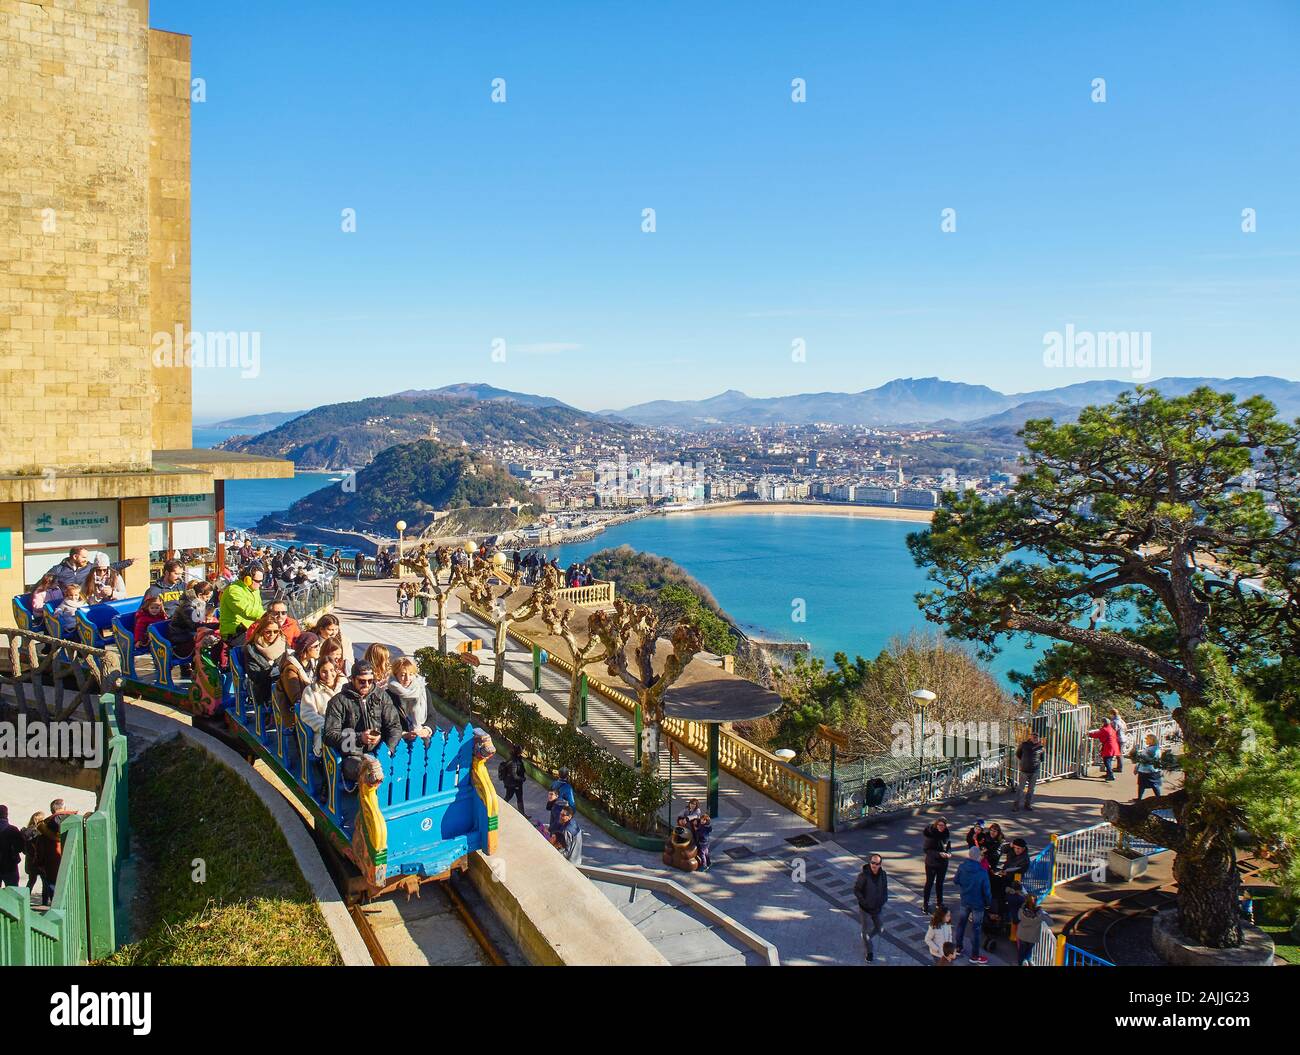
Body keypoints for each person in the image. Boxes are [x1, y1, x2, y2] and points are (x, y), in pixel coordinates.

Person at [322, 661, 404, 783]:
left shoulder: (382, 696)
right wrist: (359, 738)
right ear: (352, 679)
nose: (366, 685)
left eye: (370, 681)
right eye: (362, 681)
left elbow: (395, 726)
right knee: (370, 773)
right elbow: (329, 735)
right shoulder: (337, 702)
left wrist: (388, 749)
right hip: (351, 755)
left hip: (380, 750)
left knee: (404, 767)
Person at [299, 654, 343, 761]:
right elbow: (307, 714)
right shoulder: (311, 690)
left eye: (332, 670)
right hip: (324, 732)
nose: (328, 675)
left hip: (346, 729)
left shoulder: (344, 686)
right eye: (324, 671)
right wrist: (327, 727)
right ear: (318, 672)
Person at [242, 613, 287, 715]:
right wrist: (271, 671)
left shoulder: (284, 644)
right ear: (261, 631)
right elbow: (254, 676)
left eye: (276, 631)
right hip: (262, 686)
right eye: (268, 632)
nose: (272, 635)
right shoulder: (251, 649)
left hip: (282, 682)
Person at [954, 846, 992, 964]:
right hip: (978, 904)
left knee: (961, 924)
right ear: (978, 857)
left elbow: (956, 880)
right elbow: (986, 891)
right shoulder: (982, 872)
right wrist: (988, 903)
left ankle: (958, 947)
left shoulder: (962, 867)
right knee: (976, 929)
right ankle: (975, 956)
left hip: (965, 900)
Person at [853, 854, 888, 962]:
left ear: (880, 865)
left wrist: (884, 899)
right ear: (869, 862)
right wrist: (864, 902)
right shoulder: (863, 876)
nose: (874, 865)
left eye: (877, 864)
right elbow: (856, 890)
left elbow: (885, 888)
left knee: (880, 928)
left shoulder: (883, 875)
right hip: (866, 909)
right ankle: (869, 952)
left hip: (877, 908)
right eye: (872, 863)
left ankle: (866, 938)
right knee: (866, 932)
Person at [386, 656, 432, 740]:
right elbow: (385, 723)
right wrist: (404, 734)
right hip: (399, 742)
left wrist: (427, 730)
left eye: (411, 674)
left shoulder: (422, 690)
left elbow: (432, 716)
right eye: (403, 675)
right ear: (396, 675)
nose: (407, 679)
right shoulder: (388, 695)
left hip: (421, 737)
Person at [167, 580, 215, 660]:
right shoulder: (187, 606)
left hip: (190, 635)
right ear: (199, 595)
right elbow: (195, 625)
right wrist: (216, 626)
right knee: (208, 642)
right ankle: (203, 669)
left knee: (213, 640)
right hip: (180, 640)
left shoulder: (198, 602)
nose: (208, 600)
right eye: (207, 597)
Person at [220, 563, 266, 643]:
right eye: (258, 581)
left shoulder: (255, 590)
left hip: (251, 628)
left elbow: (259, 608)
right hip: (235, 633)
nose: (261, 584)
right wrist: (266, 615)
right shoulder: (233, 591)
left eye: (262, 581)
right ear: (247, 579)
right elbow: (246, 611)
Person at [921, 816, 952, 913]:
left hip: (943, 863)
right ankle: (925, 904)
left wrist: (948, 853)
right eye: (940, 825)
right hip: (932, 863)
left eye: (943, 826)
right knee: (929, 883)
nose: (941, 827)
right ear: (936, 824)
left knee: (940, 883)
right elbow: (926, 850)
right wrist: (938, 854)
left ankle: (939, 903)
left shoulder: (946, 833)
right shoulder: (931, 834)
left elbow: (948, 845)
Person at [1012, 728, 1044, 812]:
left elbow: (1042, 759)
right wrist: (1023, 762)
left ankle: (1028, 804)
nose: (1035, 739)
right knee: (1020, 789)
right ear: (1030, 738)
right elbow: (1018, 754)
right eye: (1033, 737)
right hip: (1024, 770)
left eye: (1036, 737)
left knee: (1031, 789)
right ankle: (1016, 805)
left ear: (1038, 739)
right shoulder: (1024, 745)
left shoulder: (1041, 747)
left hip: (1034, 771)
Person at [1017, 894, 1053, 965]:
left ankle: (1022, 963)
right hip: (1033, 937)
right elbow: (1051, 923)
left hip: (1022, 935)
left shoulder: (1021, 911)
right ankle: (1027, 960)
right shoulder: (1040, 913)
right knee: (1029, 950)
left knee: (1021, 952)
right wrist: (1044, 913)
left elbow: (1018, 918)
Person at [21, 811, 45, 902]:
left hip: (30, 860)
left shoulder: (26, 831)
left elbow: (24, 849)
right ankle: (45, 901)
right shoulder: (40, 832)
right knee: (45, 881)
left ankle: (25, 900)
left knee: (31, 881)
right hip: (40, 860)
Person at [497, 744, 527, 812]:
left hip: (515, 784)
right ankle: (500, 809)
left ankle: (522, 814)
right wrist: (522, 779)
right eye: (521, 751)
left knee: (519, 798)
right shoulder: (514, 762)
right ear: (518, 752)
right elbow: (514, 775)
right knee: (508, 797)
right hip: (513, 784)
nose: (522, 753)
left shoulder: (516, 759)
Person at [0, 806, 24, 888]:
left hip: (8, 864)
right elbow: (20, 848)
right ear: (6, 814)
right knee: (12, 890)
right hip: (10, 865)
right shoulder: (12, 829)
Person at [1135, 733, 1163, 799]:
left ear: (1151, 740)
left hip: (1146, 770)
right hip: (1153, 770)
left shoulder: (1150, 750)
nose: (1146, 741)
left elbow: (1142, 758)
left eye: (1147, 739)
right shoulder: (1156, 748)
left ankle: (1140, 798)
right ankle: (1158, 797)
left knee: (1143, 785)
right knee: (1153, 785)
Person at [1109, 709, 1131, 773]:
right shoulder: (1121, 720)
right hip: (1123, 738)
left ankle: (1119, 768)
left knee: (1119, 754)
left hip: (1118, 739)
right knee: (1119, 753)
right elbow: (1125, 728)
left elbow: (1114, 730)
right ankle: (1119, 767)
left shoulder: (1115, 721)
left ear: (1112, 714)